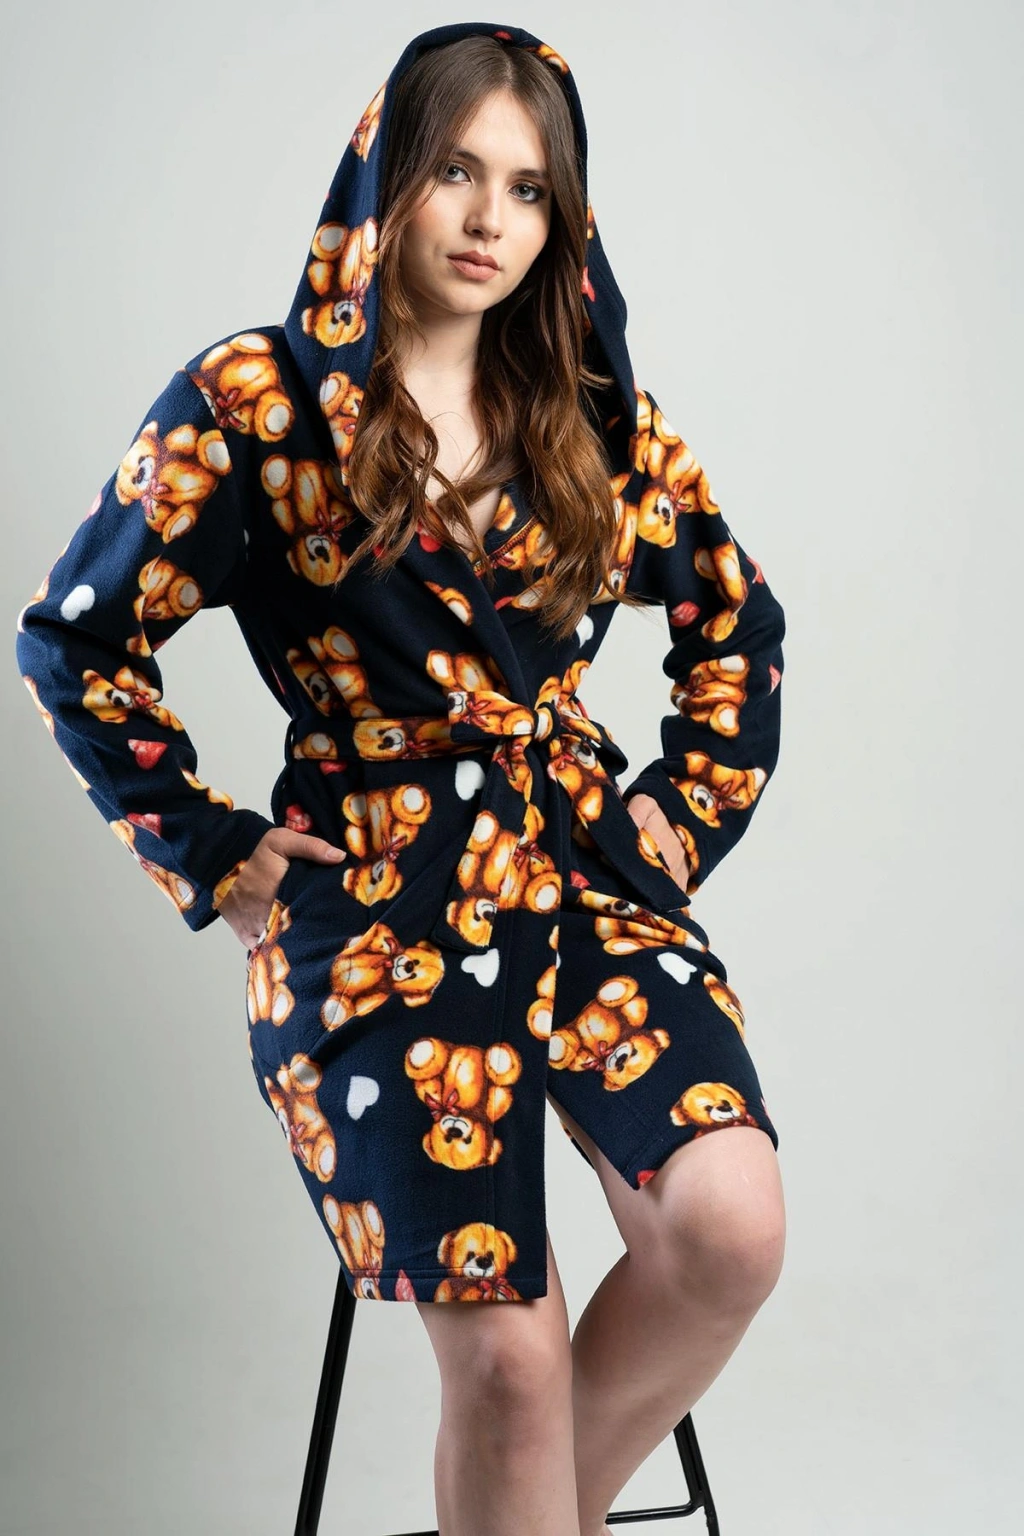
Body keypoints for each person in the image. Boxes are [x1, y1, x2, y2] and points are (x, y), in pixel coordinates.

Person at [15, 20, 788, 1536]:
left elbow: (737, 628)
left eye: (529, 188)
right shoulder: (253, 401)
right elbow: (76, 638)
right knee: (506, 1363)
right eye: (455, 172)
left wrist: (680, 810)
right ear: (385, 180)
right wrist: (209, 846)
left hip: (579, 873)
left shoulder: (593, 420)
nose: (490, 218)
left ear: (564, 219)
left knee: (729, 1232)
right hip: (374, 910)